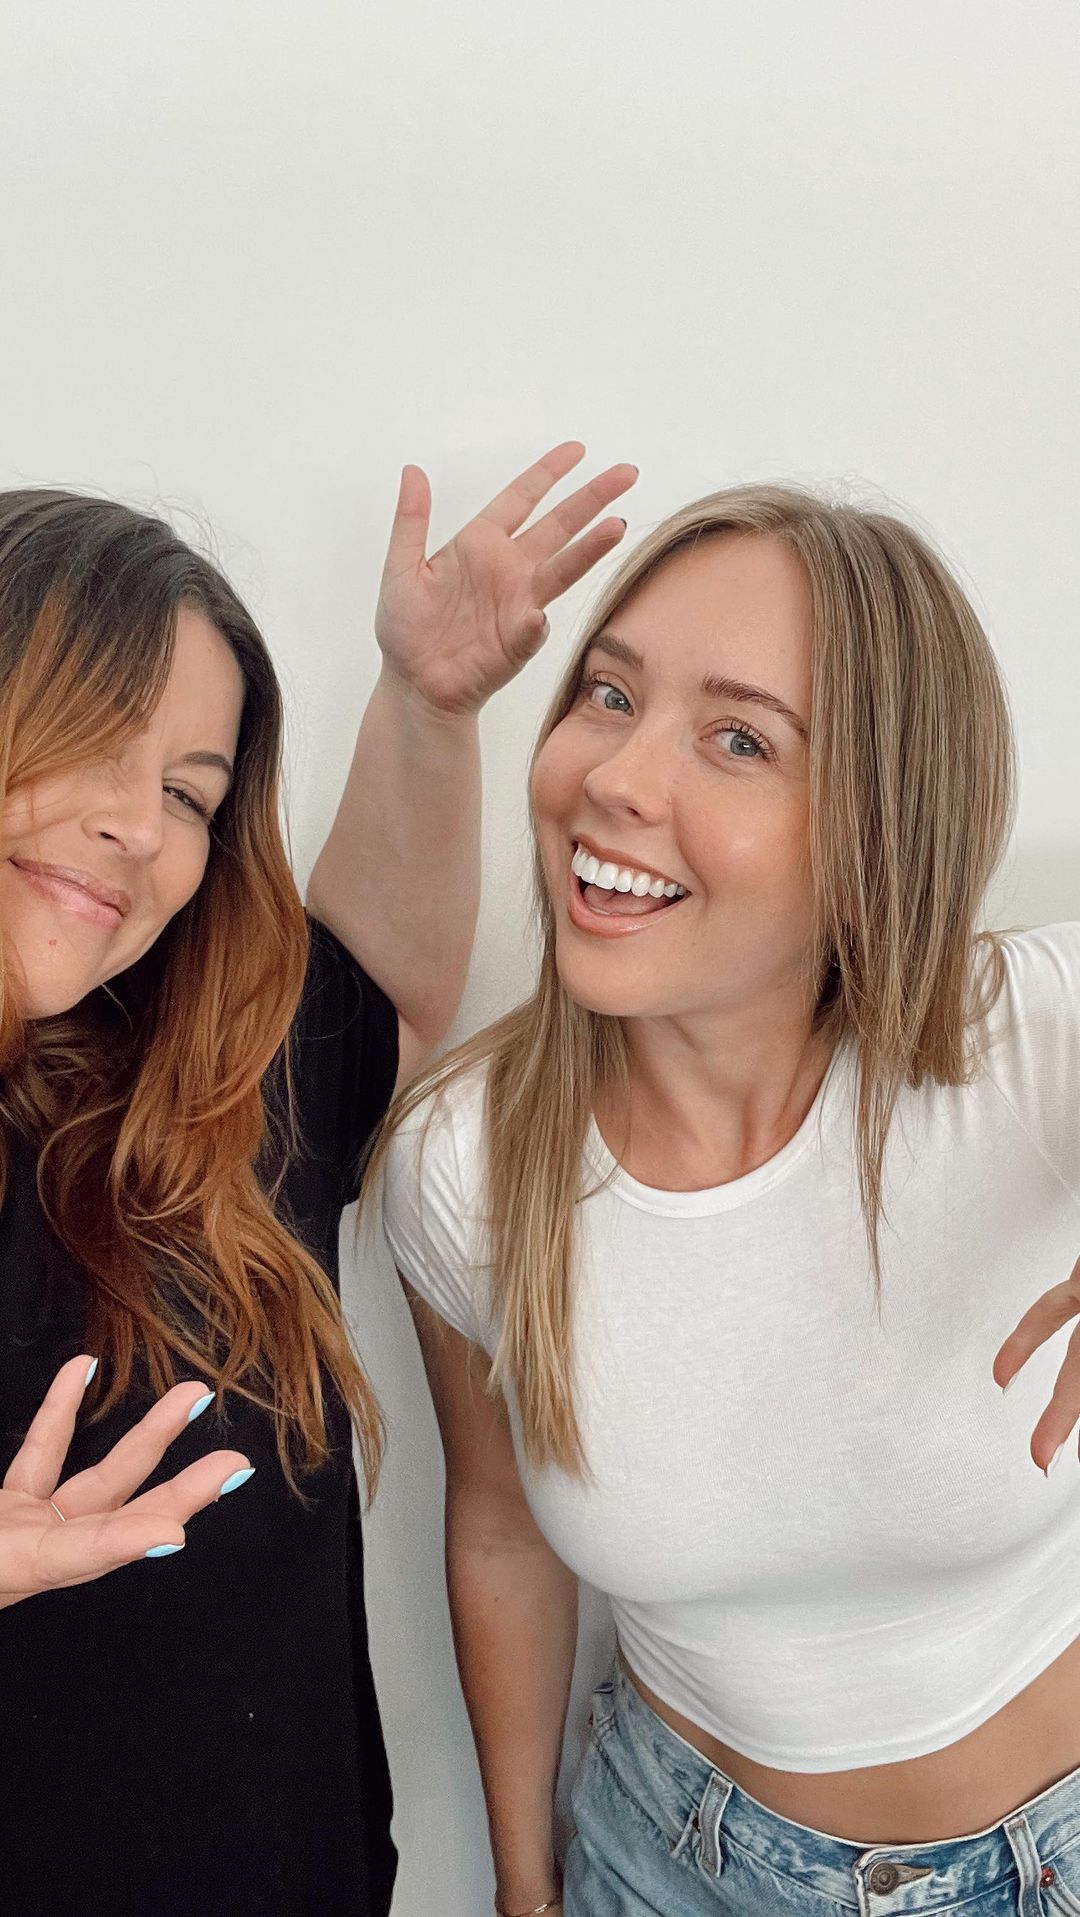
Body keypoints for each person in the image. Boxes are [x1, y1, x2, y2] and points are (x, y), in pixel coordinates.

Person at [378, 483, 1080, 1917]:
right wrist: (524, 1888)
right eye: (610, 694)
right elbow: (501, 1530)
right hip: (670, 1867)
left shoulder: (1031, 1035)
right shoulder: (463, 1165)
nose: (618, 780)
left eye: (740, 737)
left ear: (881, 828)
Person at [0, 442, 636, 1917]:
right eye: (93, 741)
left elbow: (385, 994)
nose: (138, 827)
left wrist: (429, 704)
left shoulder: (181, 1092)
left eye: (190, 793)